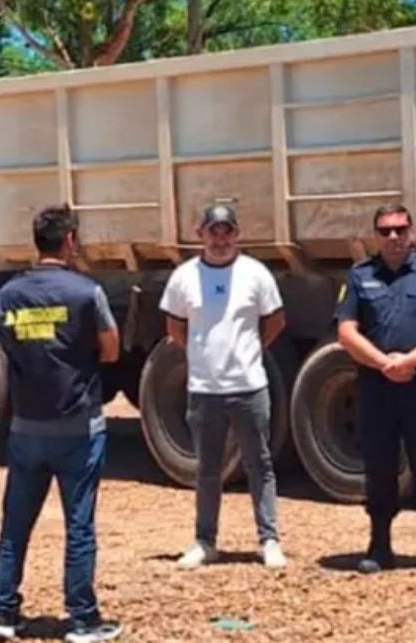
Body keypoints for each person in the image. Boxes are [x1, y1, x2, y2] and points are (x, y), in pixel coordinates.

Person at [0, 204, 123, 643]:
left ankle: (4, 615)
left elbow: (5, 341)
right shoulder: (86, 292)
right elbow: (112, 350)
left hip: (26, 427)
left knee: (15, 525)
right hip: (77, 428)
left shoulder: (8, 295)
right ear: (69, 242)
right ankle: (82, 619)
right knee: (78, 526)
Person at [159, 202, 289, 570]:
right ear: (200, 234)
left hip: (249, 387)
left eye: (226, 231)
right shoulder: (184, 277)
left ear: (237, 234)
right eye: (213, 231)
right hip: (204, 389)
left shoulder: (256, 274)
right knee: (207, 468)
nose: (220, 239)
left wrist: (251, 351)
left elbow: (275, 320)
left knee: (259, 463)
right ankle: (205, 541)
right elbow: (174, 327)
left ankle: (269, 540)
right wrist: (202, 356)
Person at [335, 203, 416, 576]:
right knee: (378, 466)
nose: (393, 237)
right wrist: (383, 363)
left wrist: (411, 361)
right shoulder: (359, 276)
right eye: (385, 231)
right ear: (376, 235)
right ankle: (379, 543)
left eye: (400, 230)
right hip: (376, 388)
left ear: (410, 232)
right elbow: (346, 331)